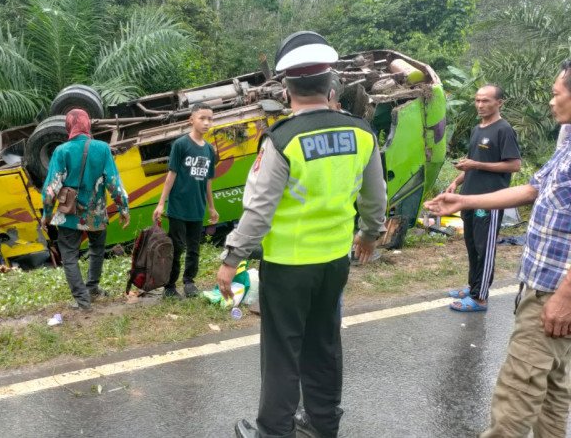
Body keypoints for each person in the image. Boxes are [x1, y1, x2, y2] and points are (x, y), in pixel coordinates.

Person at [220, 31, 387, 438]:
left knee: (282, 352)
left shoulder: (282, 140)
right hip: (334, 261)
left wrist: (232, 259)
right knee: (324, 344)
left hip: (289, 264)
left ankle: (274, 432)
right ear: (331, 84)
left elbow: (259, 211)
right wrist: (368, 234)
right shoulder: (361, 133)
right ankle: (322, 422)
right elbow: (375, 197)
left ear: (286, 88)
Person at [424, 59, 571, 438]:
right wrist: (464, 201)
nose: (552, 102)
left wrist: (565, 296)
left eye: (557, 94)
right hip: (540, 284)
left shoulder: (505, 130)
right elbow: (533, 188)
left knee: (515, 396)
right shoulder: (566, 145)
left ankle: (480, 293)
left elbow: (515, 169)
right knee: (553, 394)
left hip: (555, 294)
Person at [42, 108, 130, 310]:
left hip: (70, 215)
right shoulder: (102, 148)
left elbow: (50, 191)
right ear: (87, 124)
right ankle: (92, 287)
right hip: (96, 214)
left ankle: (83, 300)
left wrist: (46, 216)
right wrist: (123, 209)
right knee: (97, 249)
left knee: (69, 255)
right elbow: (114, 184)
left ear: (69, 126)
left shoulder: (61, 151)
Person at [444, 85, 521, 312]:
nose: (480, 105)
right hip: (468, 198)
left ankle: (480, 298)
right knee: (472, 245)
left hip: (490, 200)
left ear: (500, 103)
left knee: (485, 248)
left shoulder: (504, 129)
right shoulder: (477, 129)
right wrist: (456, 182)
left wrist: (476, 164)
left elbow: (514, 165)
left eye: (486, 101)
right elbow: (472, 161)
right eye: (477, 100)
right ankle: (473, 287)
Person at [152, 103, 219, 299]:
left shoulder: (209, 150)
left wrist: (212, 208)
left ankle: (189, 282)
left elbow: (208, 182)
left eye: (210, 119)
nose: (207, 123)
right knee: (177, 246)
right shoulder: (181, 145)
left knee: (194, 247)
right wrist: (161, 203)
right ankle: (170, 286)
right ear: (191, 120)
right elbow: (171, 176)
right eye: (202, 118)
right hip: (178, 207)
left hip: (197, 208)